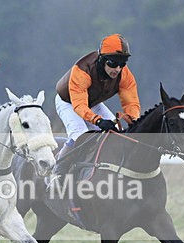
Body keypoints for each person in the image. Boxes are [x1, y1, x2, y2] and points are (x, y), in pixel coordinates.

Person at [52, 33, 142, 175]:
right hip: (68, 102)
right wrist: (98, 121)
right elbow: (79, 106)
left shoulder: (124, 75)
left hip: (93, 103)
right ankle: (57, 172)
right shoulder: (82, 70)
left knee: (116, 134)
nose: (117, 69)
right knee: (80, 135)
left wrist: (135, 122)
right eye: (112, 63)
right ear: (102, 59)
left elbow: (131, 103)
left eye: (122, 64)